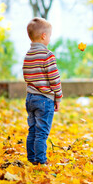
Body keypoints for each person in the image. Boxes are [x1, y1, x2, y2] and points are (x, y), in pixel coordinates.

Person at [23, 17, 63, 165]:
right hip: (44, 99)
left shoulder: (28, 55)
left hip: (30, 98)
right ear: (44, 36)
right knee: (42, 132)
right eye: (50, 36)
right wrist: (58, 97)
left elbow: (26, 75)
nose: (50, 39)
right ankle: (40, 161)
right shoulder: (48, 55)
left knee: (32, 130)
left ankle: (31, 158)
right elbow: (54, 78)